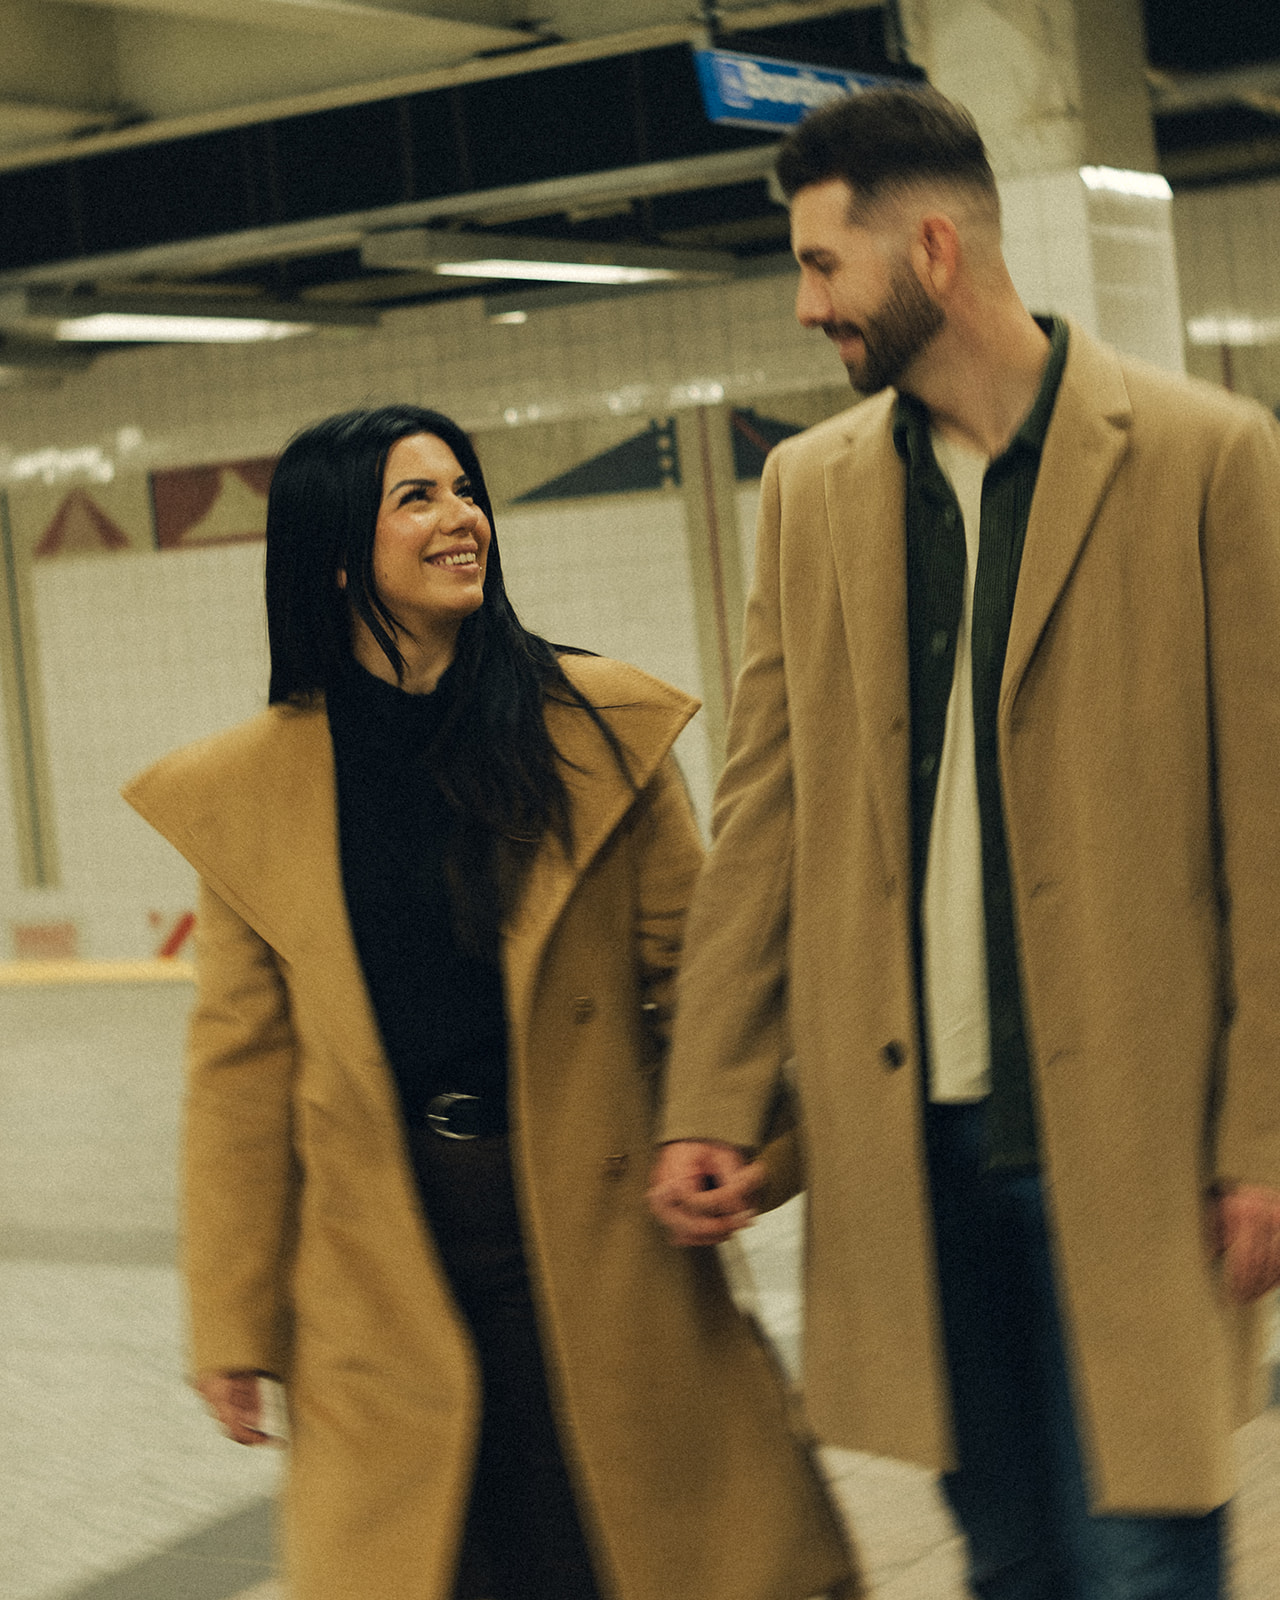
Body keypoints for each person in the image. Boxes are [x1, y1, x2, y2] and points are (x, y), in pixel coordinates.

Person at [648, 85, 1280, 1600]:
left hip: (1130, 1141)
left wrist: (1260, 1136)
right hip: (907, 1149)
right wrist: (713, 1098)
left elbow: (1271, 829)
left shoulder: (1206, 456)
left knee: (1140, 1556)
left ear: (933, 246)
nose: (808, 308)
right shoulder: (812, 491)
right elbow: (763, 816)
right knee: (1005, 1562)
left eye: (822, 266)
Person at [124, 404, 858, 1600]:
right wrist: (232, 1324)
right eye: (416, 497)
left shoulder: (598, 730)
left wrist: (741, 1137)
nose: (461, 518)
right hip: (383, 1272)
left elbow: (702, 973)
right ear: (336, 553)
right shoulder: (249, 793)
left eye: (463, 490)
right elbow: (240, 1074)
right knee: (450, 1564)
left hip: (603, 1235)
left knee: (633, 1552)